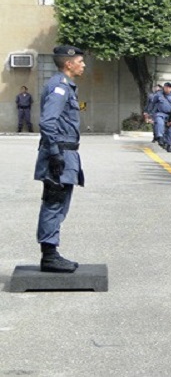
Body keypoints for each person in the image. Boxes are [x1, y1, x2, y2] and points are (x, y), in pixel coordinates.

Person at [33, 45, 86, 273]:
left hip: (66, 153)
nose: (83, 65)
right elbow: (47, 122)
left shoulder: (66, 87)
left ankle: (51, 252)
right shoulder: (60, 87)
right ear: (69, 63)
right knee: (54, 203)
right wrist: (55, 154)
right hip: (60, 154)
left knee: (59, 204)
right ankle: (49, 256)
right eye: (80, 61)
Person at [147, 82, 171, 152]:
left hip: (170, 115)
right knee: (159, 123)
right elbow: (152, 104)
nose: (167, 89)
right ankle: (159, 137)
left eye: (169, 87)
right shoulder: (158, 95)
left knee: (169, 130)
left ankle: (168, 145)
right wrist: (149, 115)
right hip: (160, 113)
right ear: (163, 87)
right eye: (166, 87)